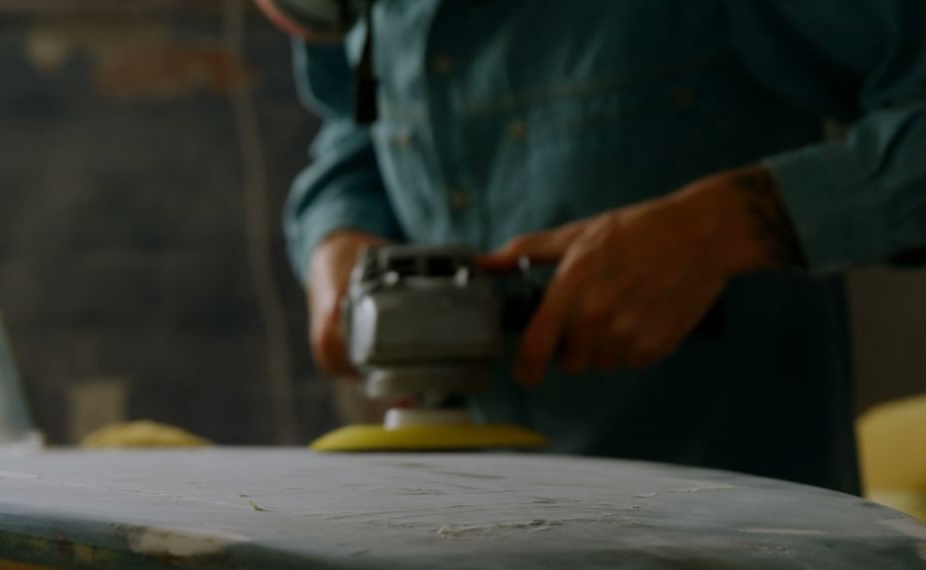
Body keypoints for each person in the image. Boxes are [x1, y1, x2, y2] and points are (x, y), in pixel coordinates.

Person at [277, 1, 926, 494]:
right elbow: (353, 126)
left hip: (730, 526)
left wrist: (730, 226)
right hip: (466, 520)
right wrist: (336, 232)